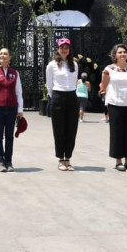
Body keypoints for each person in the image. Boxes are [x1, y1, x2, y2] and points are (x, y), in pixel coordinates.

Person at [100, 44, 127, 171]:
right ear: (115, 55)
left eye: (124, 52)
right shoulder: (109, 69)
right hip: (116, 104)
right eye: (120, 52)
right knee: (117, 133)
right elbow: (104, 86)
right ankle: (118, 161)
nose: (123, 54)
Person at [0, 47, 24, 172]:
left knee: (9, 136)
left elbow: (19, 92)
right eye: (1, 53)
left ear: (10, 57)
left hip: (12, 108)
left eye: (5, 54)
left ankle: (9, 161)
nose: (3, 55)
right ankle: (1, 161)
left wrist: (20, 110)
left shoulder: (15, 73)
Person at [46, 38, 79, 171]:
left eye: (66, 47)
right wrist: (53, 97)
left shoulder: (74, 65)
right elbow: (49, 84)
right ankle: (61, 158)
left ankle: (68, 159)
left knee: (71, 129)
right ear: (58, 50)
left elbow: (74, 82)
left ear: (69, 49)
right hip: (58, 96)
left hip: (71, 96)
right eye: (62, 47)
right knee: (59, 129)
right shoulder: (52, 65)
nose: (64, 50)